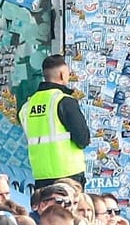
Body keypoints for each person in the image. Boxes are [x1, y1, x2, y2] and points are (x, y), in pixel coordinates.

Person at [17, 53, 90, 186]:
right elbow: (83, 139)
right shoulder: (64, 101)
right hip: (69, 175)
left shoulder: (27, 106)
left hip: (41, 176)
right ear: (62, 75)